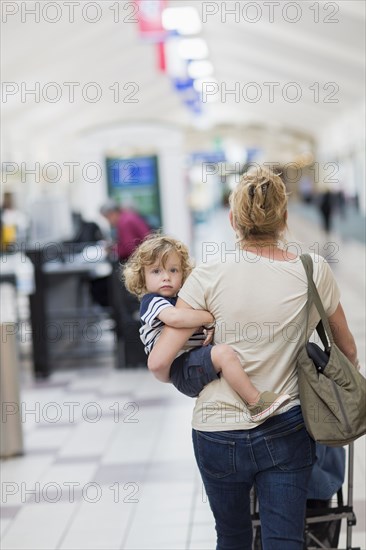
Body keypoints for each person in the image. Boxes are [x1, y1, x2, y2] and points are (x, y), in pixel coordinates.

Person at [147, 166, 359, 550]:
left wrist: (194, 363)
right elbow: (348, 351)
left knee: (232, 537)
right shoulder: (313, 270)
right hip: (287, 427)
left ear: (233, 220)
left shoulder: (207, 275)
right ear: (284, 218)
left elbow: (160, 362)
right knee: (284, 540)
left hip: (215, 432)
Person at [123, 234, 291, 422]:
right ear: (142, 277)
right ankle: (256, 402)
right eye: (156, 271)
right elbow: (176, 318)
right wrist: (207, 318)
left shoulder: (180, 299)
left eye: (173, 270)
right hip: (181, 368)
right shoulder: (152, 301)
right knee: (224, 354)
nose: (166, 277)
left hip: (190, 363)